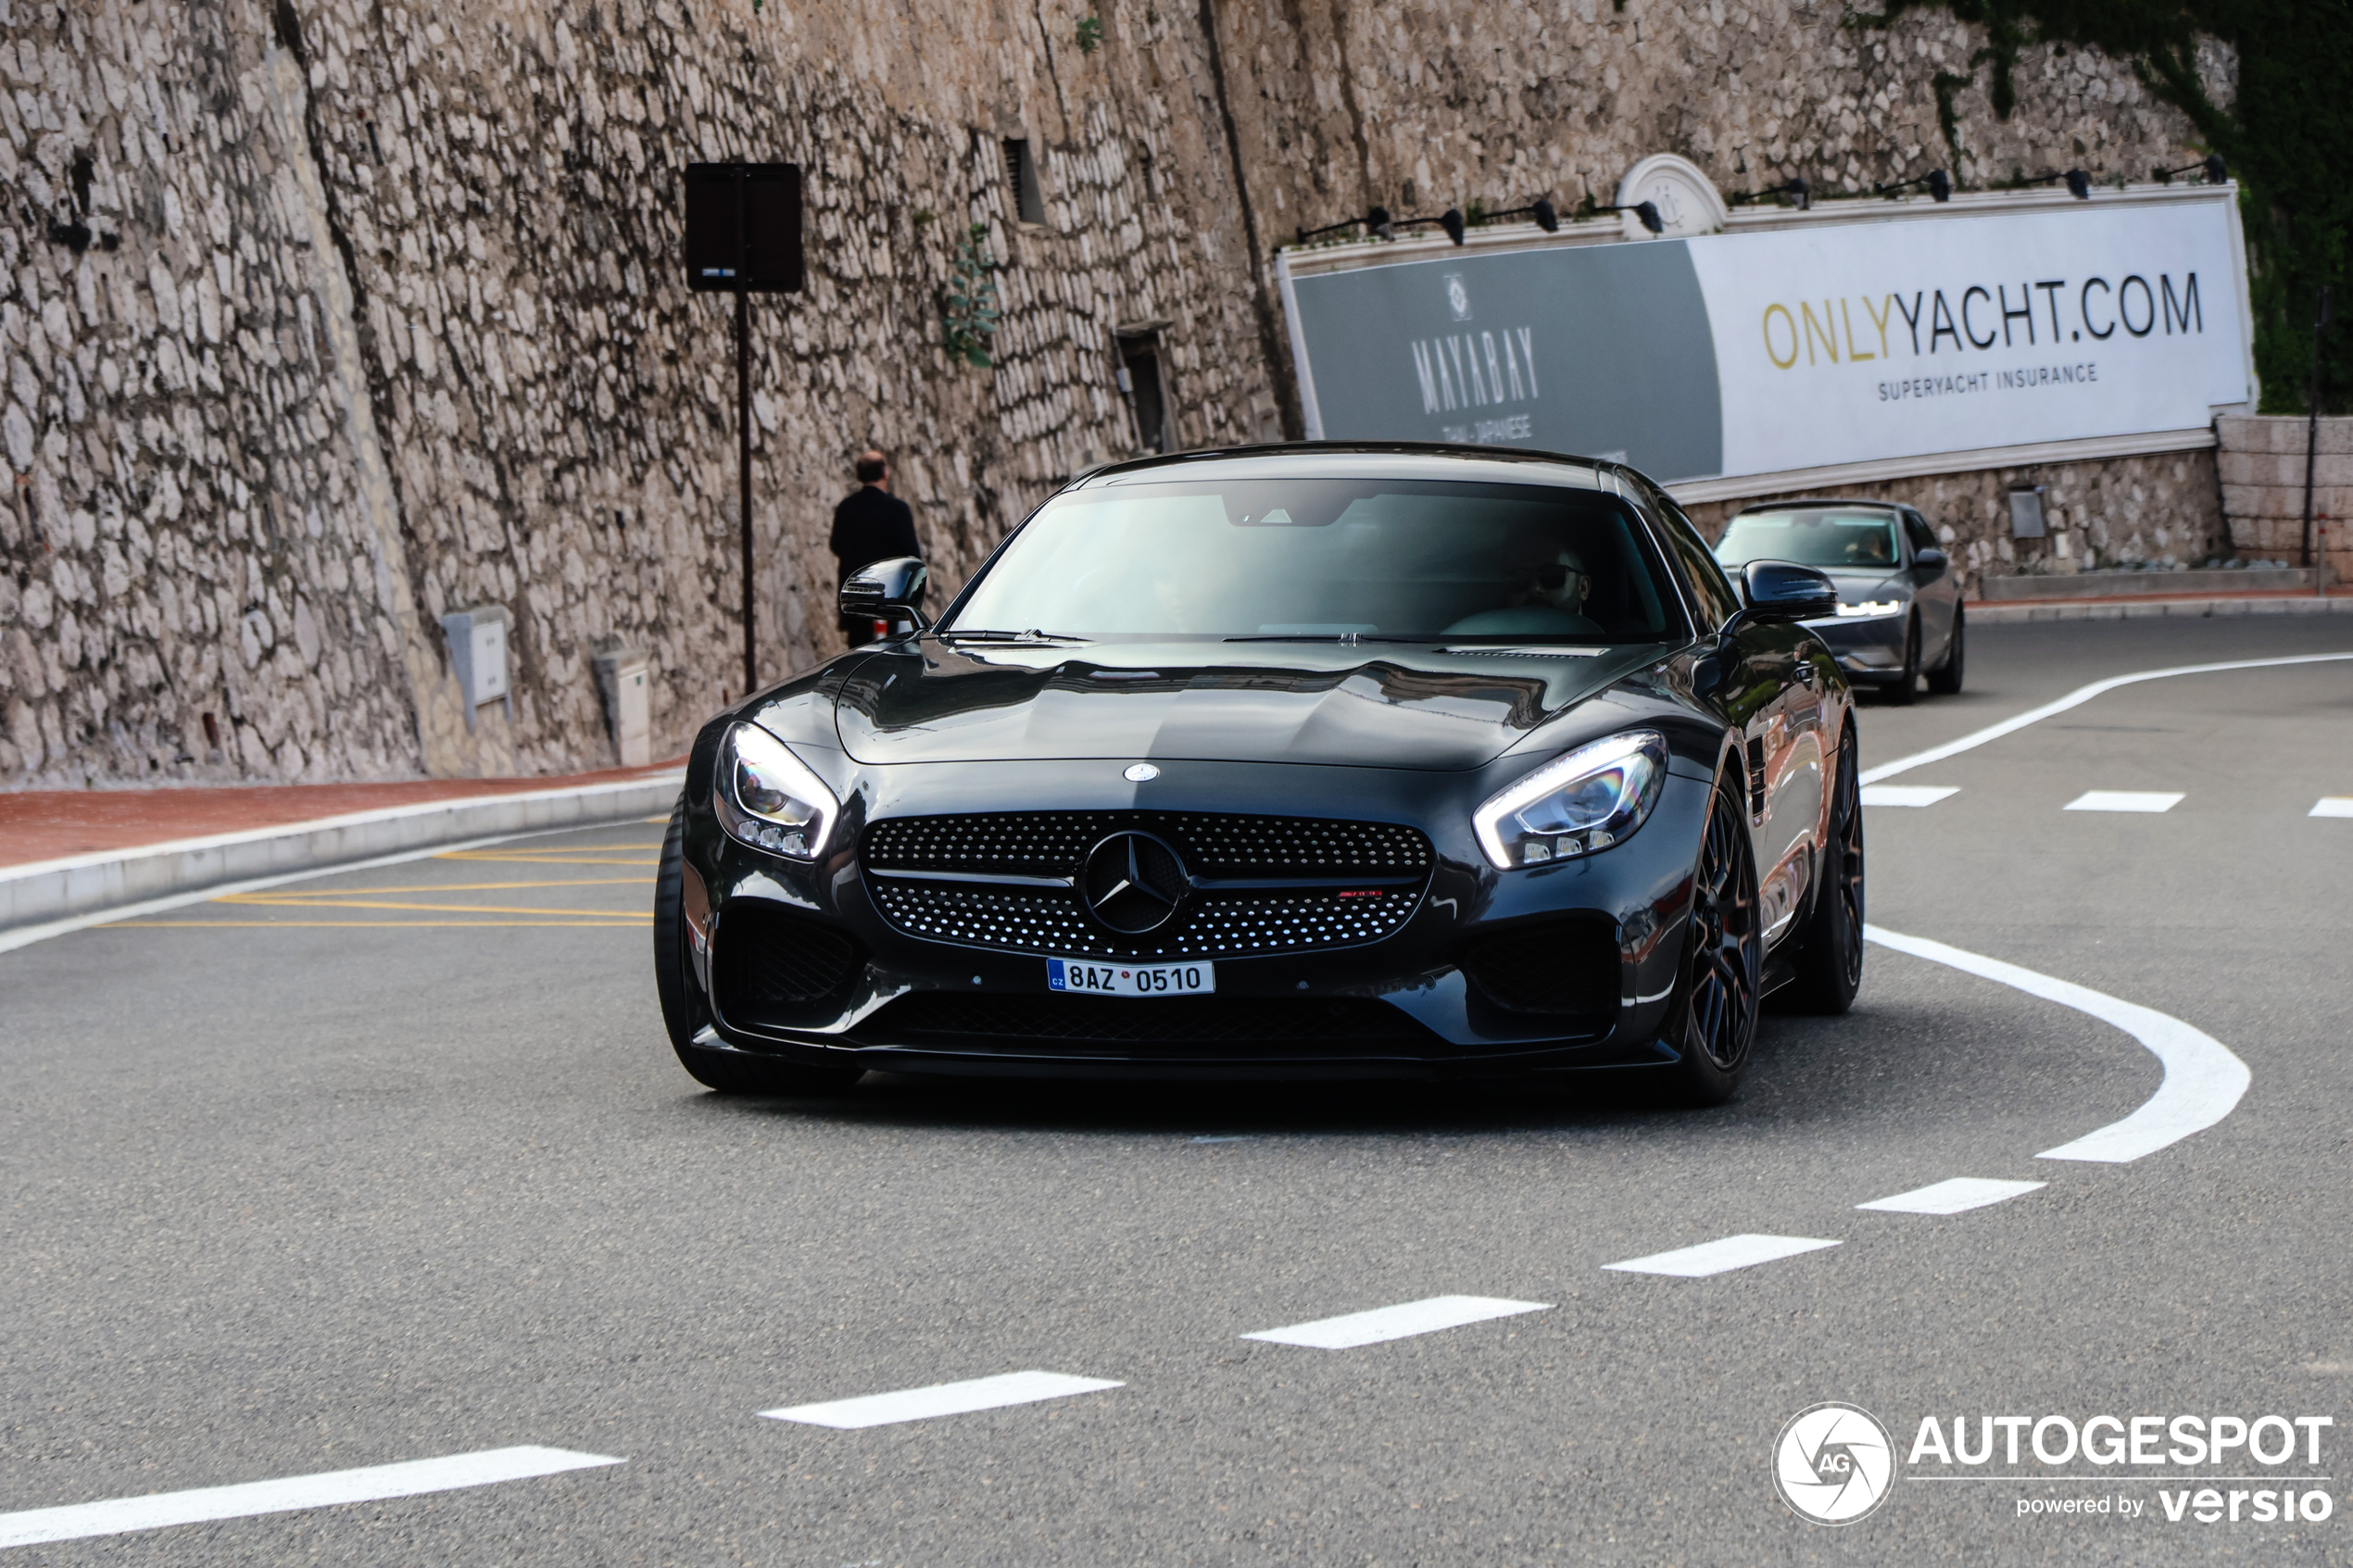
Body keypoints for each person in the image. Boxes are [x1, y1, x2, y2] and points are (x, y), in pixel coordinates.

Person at [829, 449, 921, 646]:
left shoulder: (846, 508)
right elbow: (911, 553)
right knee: (889, 651)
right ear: (885, 473)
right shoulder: (897, 509)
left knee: (858, 651)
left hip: (855, 595)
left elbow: (836, 545)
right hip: (888, 597)